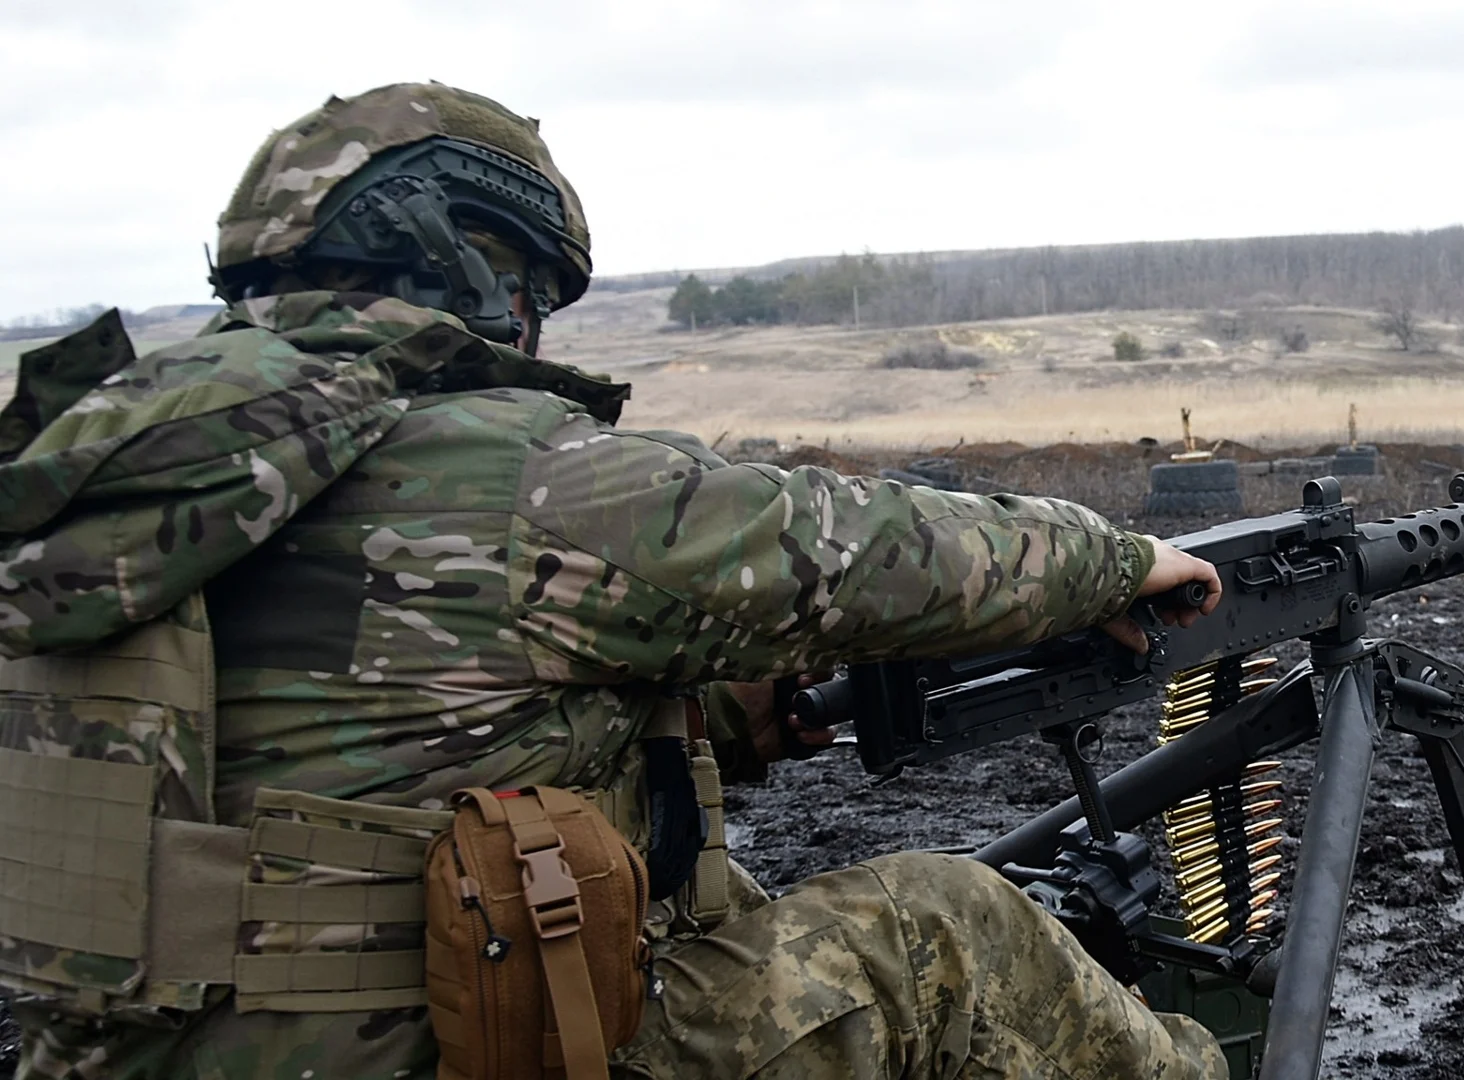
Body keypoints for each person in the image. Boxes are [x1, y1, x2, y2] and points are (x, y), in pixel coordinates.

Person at [0, 82, 1227, 1079]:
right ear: (471, 268)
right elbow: (864, 548)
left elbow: (362, 746)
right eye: (532, 295)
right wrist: (1116, 558)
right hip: (452, 1053)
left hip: (138, 1053)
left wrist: (733, 724)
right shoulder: (501, 471)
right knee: (945, 929)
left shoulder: (110, 486)